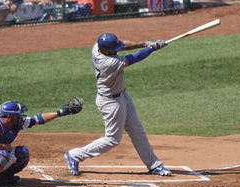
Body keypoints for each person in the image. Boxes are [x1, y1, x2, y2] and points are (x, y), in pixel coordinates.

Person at [64, 33, 171, 177]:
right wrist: (152, 48)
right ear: (107, 51)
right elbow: (133, 58)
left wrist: (144, 43)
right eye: (114, 48)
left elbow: (124, 45)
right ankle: (75, 155)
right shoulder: (109, 62)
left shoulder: (97, 47)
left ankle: (154, 165)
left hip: (122, 96)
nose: (117, 49)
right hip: (111, 102)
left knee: (137, 131)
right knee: (112, 139)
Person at [0, 98, 83, 187]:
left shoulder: (16, 122)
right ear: (10, 116)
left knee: (22, 153)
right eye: (17, 114)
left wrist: (60, 113)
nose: (20, 115)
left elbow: (37, 119)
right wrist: (4, 146)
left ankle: (3, 178)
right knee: (1, 155)